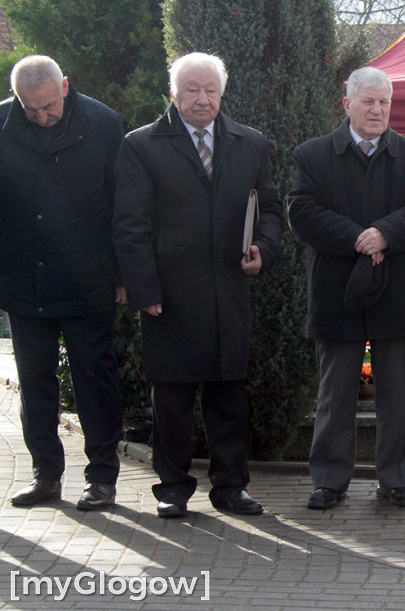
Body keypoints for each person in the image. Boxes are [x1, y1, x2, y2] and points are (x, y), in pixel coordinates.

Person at [114, 52, 283, 519]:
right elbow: (130, 225)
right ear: (173, 93)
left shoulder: (249, 143)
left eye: (210, 89)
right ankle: (172, 487)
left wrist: (263, 250)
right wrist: (143, 289)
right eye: (191, 89)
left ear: (222, 93)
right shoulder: (141, 146)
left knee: (228, 396)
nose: (202, 98)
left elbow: (270, 209)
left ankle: (231, 487)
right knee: (171, 400)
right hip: (169, 296)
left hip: (229, 290)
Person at [288, 66, 405, 510]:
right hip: (336, 288)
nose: (377, 110)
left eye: (384, 103)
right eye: (368, 102)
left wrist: (385, 234)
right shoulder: (312, 155)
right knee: (336, 392)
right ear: (347, 104)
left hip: (396, 288)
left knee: (396, 392)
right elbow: (302, 211)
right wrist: (358, 238)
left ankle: (397, 479)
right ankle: (329, 481)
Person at [0, 55, 124, 511]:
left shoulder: (103, 124)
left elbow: (122, 204)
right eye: (30, 108)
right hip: (22, 280)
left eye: (48, 106)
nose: (41, 116)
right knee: (35, 384)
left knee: (95, 380)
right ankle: (45, 474)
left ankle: (103, 477)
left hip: (87, 280)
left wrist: (123, 275)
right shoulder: (2, 124)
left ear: (66, 86)